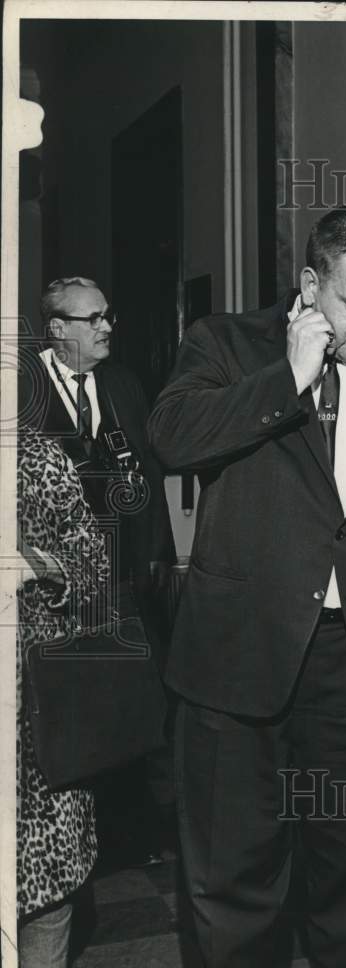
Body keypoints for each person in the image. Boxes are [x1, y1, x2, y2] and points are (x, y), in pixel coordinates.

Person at [148, 207, 346, 968]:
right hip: (238, 661)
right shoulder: (225, 343)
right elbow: (172, 439)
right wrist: (287, 377)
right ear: (311, 283)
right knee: (232, 887)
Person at [20, 276, 176, 867]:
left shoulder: (124, 384)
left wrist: (156, 548)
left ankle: (128, 832)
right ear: (57, 329)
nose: (108, 327)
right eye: (94, 319)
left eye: (109, 316)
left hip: (121, 575)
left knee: (126, 698)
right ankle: (72, 836)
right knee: (67, 702)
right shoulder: (21, 387)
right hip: (51, 587)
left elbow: (151, 475)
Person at [16, 426, 109, 968]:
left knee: (47, 887)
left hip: (38, 708)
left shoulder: (38, 453)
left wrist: (41, 566)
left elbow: (93, 564)